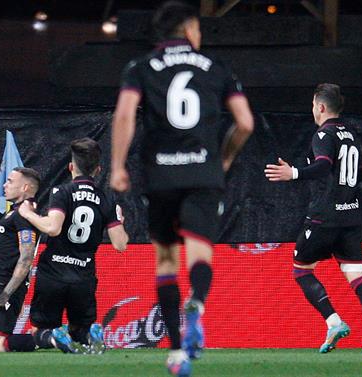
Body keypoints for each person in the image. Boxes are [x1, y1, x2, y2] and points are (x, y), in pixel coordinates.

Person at [110, 2, 254, 375]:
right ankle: (198, 305)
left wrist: (117, 165)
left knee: (166, 261)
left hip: (161, 175)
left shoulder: (139, 68)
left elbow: (125, 114)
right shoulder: (217, 67)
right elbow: (245, 122)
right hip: (203, 174)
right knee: (200, 251)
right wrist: (222, 160)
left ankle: (175, 351)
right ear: (190, 29)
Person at [264, 83, 362, 354]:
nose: (312, 110)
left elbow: (323, 166)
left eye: (312, 105)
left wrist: (294, 173)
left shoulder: (324, 134)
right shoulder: (351, 133)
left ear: (320, 107)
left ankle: (334, 322)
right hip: (351, 216)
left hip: (325, 216)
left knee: (301, 269)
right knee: (356, 274)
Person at [19, 138, 129, 354]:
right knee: (80, 330)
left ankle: (55, 336)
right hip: (83, 277)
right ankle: (90, 334)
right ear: (97, 170)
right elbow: (120, 244)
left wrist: (28, 214)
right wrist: (121, 222)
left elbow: (52, 228)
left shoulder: (62, 192)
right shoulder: (106, 199)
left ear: (71, 167)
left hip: (53, 273)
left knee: (40, 331)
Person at [0, 167, 42, 352]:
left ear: (25, 187)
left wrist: (7, 293)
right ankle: (49, 336)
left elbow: (26, 257)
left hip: (5, 284)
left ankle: (49, 337)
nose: (4, 185)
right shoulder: (15, 212)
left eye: (10, 181)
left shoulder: (25, 214)